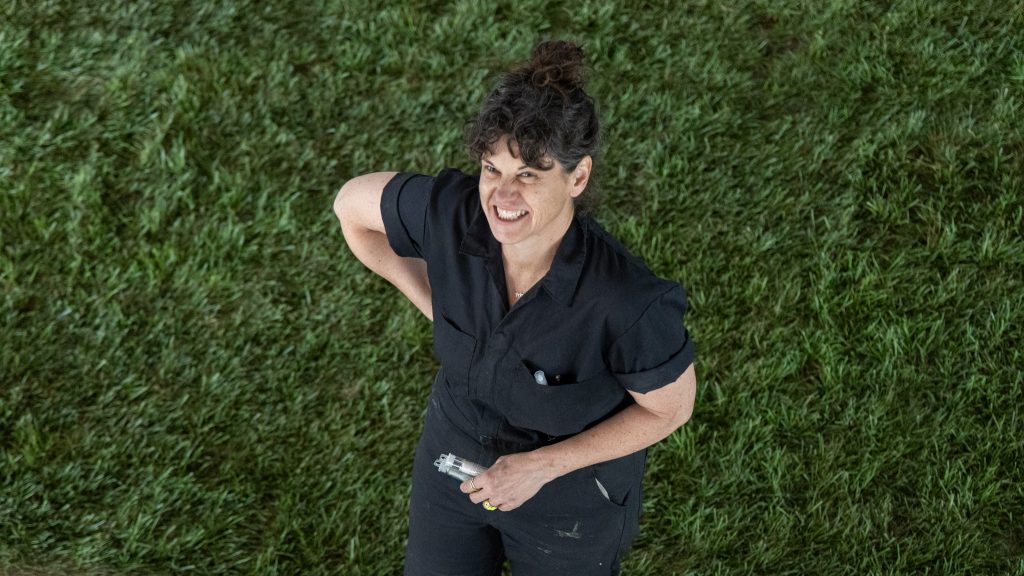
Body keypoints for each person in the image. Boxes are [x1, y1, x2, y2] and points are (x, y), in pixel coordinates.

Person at [334, 40, 697, 576]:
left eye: (529, 174)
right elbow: (352, 208)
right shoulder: (452, 214)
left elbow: (670, 408)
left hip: (569, 500)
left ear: (577, 177)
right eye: (491, 168)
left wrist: (539, 467)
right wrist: (435, 304)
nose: (502, 195)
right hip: (453, 451)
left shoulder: (625, 301)